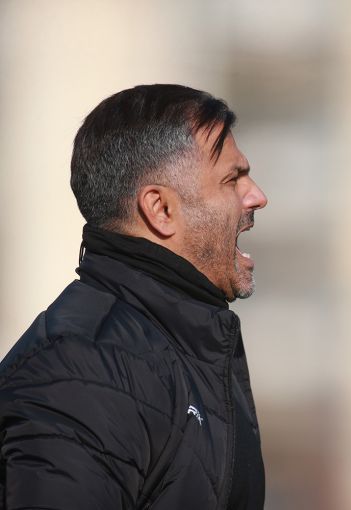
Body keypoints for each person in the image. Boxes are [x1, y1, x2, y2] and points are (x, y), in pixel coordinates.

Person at [0, 84, 268, 509]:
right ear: (161, 209)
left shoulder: (188, 347)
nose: (257, 196)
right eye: (232, 179)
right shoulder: (82, 371)